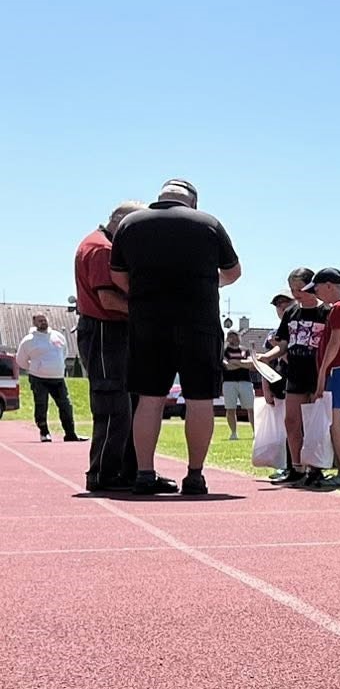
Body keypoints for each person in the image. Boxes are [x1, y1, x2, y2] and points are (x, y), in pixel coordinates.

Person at [108, 179, 242, 496]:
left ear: (160, 197)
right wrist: (209, 286)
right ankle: (194, 476)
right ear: (192, 202)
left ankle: (144, 473)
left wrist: (141, 294)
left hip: (149, 323)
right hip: (199, 322)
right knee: (199, 400)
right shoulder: (208, 223)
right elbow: (233, 271)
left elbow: (117, 273)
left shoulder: (130, 223)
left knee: (150, 399)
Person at [74, 201, 144, 491]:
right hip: (105, 332)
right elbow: (109, 300)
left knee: (129, 403)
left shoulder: (100, 244)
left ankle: (128, 471)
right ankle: (103, 473)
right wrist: (147, 310)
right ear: (120, 222)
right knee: (114, 405)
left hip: (112, 332)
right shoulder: (102, 249)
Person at [267, 269, 329, 487]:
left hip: (318, 372)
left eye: (299, 289)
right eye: (293, 290)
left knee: (314, 423)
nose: (296, 294)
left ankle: (316, 468)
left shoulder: (326, 311)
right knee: (291, 421)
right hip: (295, 373)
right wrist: (267, 357)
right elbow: (283, 342)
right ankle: (296, 467)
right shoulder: (291, 312)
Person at [310, 268, 340, 489]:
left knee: (336, 423)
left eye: (318, 288)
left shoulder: (339, 309)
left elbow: (334, 344)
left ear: (329, 286)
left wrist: (322, 373)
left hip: (339, 371)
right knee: (334, 422)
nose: (317, 293)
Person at [17, 314, 80, 443]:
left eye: (44, 320)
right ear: (34, 323)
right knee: (41, 405)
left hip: (57, 378)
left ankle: (70, 434)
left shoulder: (58, 336)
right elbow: (20, 360)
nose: (43, 322)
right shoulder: (28, 340)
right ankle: (44, 432)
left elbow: (64, 353)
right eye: (40, 321)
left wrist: (57, 366)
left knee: (66, 405)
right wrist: (35, 368)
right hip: (39, 378)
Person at [219, 333, 255, 440]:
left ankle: (255, 432)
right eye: (231, 336)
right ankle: (233, 433)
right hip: (229, 382)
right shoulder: (224, 351)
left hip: (246, 382)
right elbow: (227, 366)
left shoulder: (245, 350)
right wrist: (241, 364)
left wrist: (235, 362)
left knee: (251, 408)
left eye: (236, 336)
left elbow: (250, 363)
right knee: (230, 409)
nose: (234, 338)